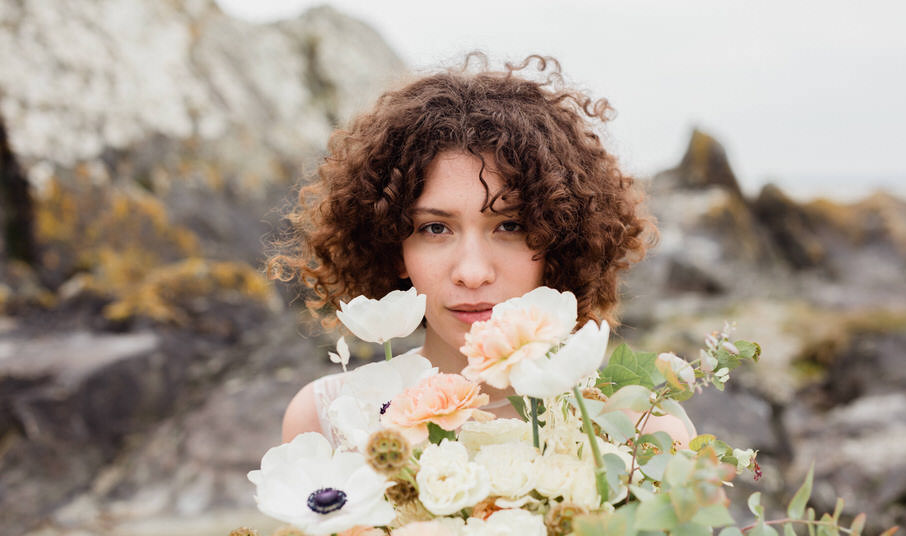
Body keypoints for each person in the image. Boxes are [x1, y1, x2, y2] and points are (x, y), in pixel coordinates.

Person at [269, 53, 688, 448]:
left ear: (559, 238)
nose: (471, 273)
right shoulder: (327, 420)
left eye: (509, 226)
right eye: (435, 228)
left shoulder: (643, 429)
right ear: (393, 247)